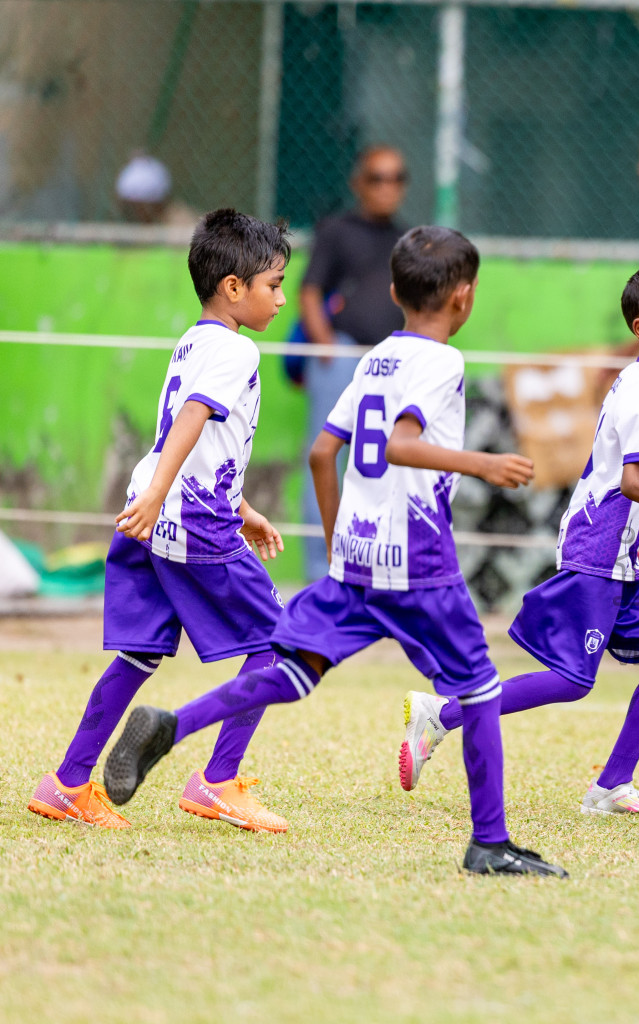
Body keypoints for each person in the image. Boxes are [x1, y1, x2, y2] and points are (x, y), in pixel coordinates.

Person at [102, 226, 567, 878]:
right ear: (465, 297)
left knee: (292, 673)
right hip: (419, 562)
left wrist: (339, 538)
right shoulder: (444, 362)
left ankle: (175, 724)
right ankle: (490, 842)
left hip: (355, 562)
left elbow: (325, 451)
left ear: (393, 291)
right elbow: (401, 445)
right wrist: (483, 463)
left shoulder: (375, 358)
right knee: (482, 691)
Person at [397, 264, 639, 816]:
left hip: (622, 559)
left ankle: (611, 786)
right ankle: (441, 715)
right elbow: (634, 481)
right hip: (597, 552)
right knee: (569, 680)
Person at [28, 209, 291, 832]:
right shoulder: (236, 349)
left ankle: (67, 783)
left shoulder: (193, 338)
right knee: (277, 644)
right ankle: (217, 782)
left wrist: (242, 506)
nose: (280, 299)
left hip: (152, 509)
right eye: (273, 285)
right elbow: (195, 417)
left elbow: (199, 439)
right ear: (234, 288)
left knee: (140, 655)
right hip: (188, 518)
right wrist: (176, 496)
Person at [298, 145, 409, 581]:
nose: (388, 187)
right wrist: (325, 345)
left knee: (383, 464)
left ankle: (372, 569)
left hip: (387, 362)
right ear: (359, 183)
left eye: (397, 178)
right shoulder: (337, 231)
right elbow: (309, 291)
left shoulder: (407, 238)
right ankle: (318, 575)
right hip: (341, 356)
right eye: (378, 178)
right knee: (325, 457)